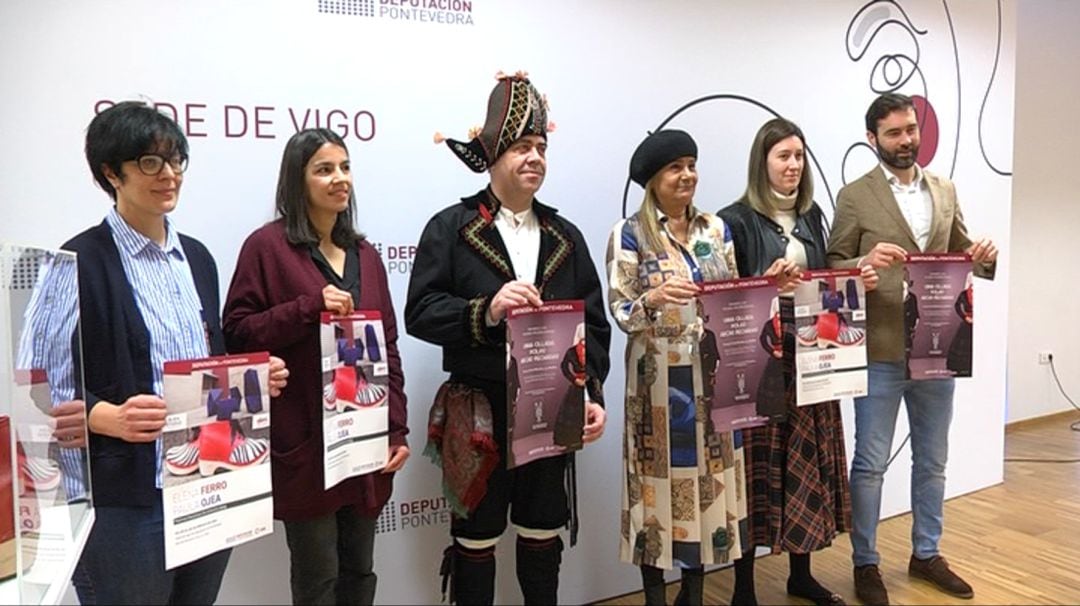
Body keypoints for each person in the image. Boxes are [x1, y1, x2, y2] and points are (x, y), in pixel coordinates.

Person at [65, 101, 287, 604]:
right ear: (110, 173)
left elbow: (209, 363)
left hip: (207, 479)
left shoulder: (200, 258)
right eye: (149, 162)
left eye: (175, 160)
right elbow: (41, 386)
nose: (168, 175)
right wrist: (105, 417)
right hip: (127, 497)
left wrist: (253, 377)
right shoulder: (78, 261)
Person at [405, 71, 610, 606]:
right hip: (480, 408)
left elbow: (595, 324)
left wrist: (592, 393)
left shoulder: (567, 236)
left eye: (541, 147)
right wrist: (486, 310)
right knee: (476, 537)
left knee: (543, 531)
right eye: (522, 146)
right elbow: (420, 312)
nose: (535, 157)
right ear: (493, 153)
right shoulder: (449, 228)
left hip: (553, 403)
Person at [222, 128, 409, 606]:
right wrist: (308, 308)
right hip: (307, 441)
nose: (339, 179)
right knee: (317, 577)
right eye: (324, 169)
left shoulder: (367, 255)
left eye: (345, 168)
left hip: (364, 440)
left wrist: (397, 430)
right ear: (297, 180)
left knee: (360, 572)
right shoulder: (266, 247)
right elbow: (237, 332)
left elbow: (387, 347)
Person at [826, 93, 998, 605]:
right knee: (871, 463)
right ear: (872, 139)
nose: (906, 140)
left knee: (933, 460)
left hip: (937, 346)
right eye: (894, 133)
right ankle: (866, 563)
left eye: (910, 130)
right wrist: (862, 259)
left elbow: (963, 254)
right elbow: (834, 263)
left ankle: (926, 552)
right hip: (878, 349)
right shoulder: (855, 196)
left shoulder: (944, 190)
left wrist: (983, 257)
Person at [608, 129, 792, 606]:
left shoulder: (716, 229)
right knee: (653, 492)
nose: (687, 175)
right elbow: (620, 310)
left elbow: (732, 303)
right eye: (675, 167)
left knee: (706, 490)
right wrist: (652, 298)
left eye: (691, 164)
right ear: (653, 180)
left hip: (713, 383)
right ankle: (653, 598)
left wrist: (764, 285)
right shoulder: (630, 233)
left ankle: (693, 594)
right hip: (657, 391)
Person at [719, 117, 874, 606]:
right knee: (755, 467)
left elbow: (824, 284)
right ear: (761, 161)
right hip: (762, 360)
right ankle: (743, 586)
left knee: (805, 461)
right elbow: (727, 300)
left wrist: (853, 281)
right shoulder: (733, 219)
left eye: (799, 156)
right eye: (783, 156)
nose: (792, 165)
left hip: (813, 351)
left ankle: (800, 574)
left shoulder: (813, 217)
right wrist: (766, 281)